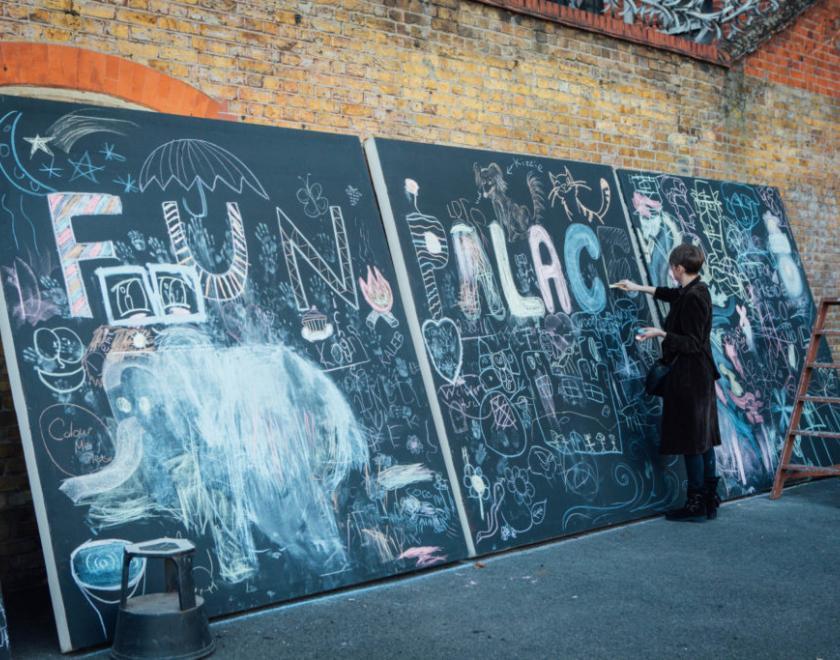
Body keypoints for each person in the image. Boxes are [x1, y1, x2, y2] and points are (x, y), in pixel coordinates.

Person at [615, 244, 722, 521]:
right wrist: (637, 287)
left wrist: (660, 333)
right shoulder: (695, 290)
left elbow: (694, 343)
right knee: (703, 439)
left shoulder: (694, 298)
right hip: (697, 377)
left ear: (678, 269)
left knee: (692, 441)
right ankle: (708, 501)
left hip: (691, 378)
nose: (671, 272)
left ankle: (696, 504)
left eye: (672, 268)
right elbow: (672, 294)